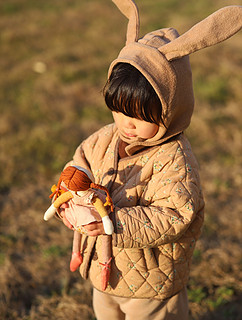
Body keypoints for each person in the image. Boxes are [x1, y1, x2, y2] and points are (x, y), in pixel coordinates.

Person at [49, 1, 241, 319]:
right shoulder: (106, 137)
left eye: (139, 115)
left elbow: (175, 215)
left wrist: (113, 221)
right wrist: (74, 182)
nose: (127, 123)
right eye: (119, 109)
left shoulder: (176, 159)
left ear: (170, 109)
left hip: (153, 282)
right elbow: (82, 159)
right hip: (104, 271)